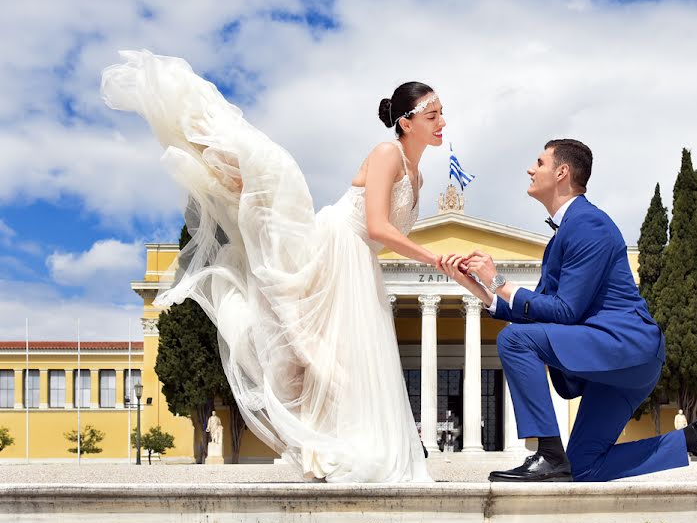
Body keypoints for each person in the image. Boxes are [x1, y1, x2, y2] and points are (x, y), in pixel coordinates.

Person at [102, 50, 448, 483]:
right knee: (321, 352)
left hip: (362, 261)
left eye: (441, 114)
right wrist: (437, 259)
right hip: (337, 246)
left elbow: (381, 235)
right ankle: (326, 446)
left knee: (349, 358)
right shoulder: (387, 153)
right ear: (406, 122)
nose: (441, 122)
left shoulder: (417, 175)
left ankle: (339, 445)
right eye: (432, 114)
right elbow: (377, 225)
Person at [439, 139, 697, 482]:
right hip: (613, 364)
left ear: (562, 172)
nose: (531, 169)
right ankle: (693, 439)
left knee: (515, 340)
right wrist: (478, 287)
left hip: (626, 346)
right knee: (583, 467)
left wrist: (499, 280)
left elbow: (565, 311)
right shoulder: (566, 233)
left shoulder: (588, 223)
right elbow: (542, 311)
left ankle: (548, 454)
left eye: (539, 162)